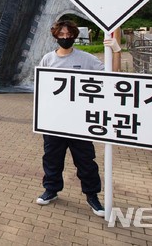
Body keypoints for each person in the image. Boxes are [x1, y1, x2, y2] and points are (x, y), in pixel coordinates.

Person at [35, 19, 121, 216]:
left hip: (80, 122)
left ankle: (92, 196)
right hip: (54, 122)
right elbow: (42, 88)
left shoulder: (86, 59)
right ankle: (51, 190)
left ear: (74, 35)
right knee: (52, 158)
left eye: (69, 34)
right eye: (62, 34)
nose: (65, 37)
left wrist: (117, 51)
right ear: (55, 35)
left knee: (85, 160)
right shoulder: (48, 59)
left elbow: (112, 77)